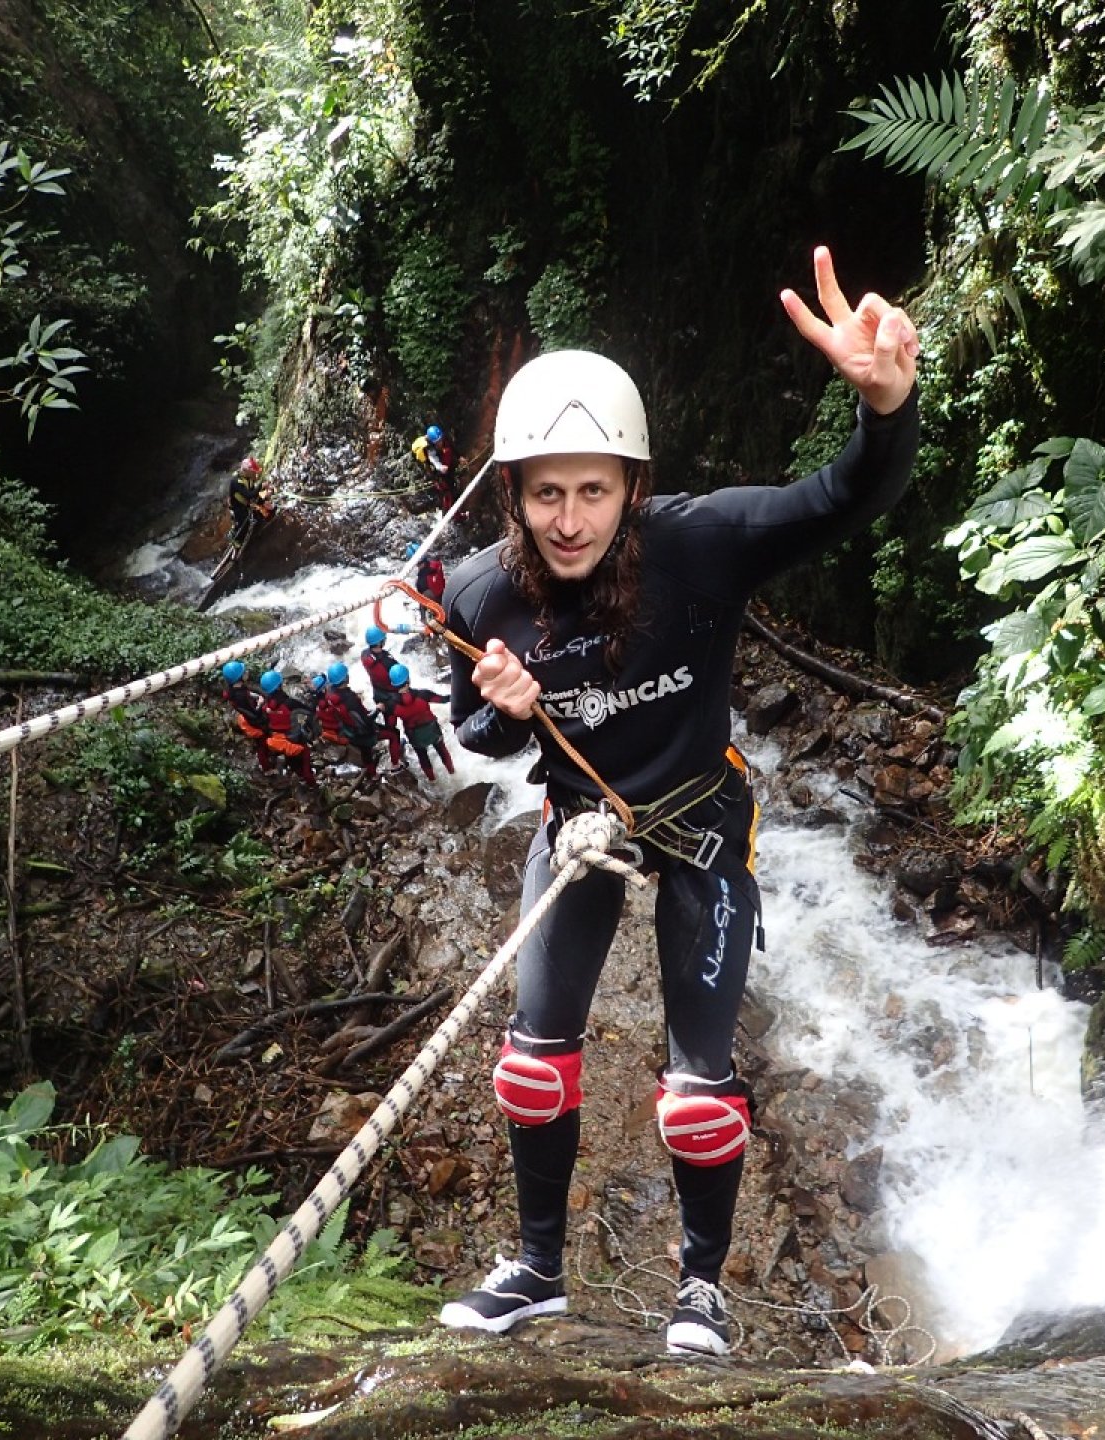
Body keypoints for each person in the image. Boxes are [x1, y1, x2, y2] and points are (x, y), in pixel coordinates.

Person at [435, 247, 920, 1355]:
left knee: (700, 1095)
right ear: (513, 492)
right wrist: (506, 709)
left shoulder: (700, 548)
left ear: (632, 488)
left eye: (593, 490)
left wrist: (885, 408)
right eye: (547, 492)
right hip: (583, 827)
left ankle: (700, 1290)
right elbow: (476, 735)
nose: (569, 520)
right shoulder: (481, 594)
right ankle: (539, 1268)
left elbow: (841, 498)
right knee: (530, 1063)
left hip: (701, 816)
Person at [379, 663, 455, 781]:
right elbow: (443, 699)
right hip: (432, 730)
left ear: (393, 684)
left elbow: (391, 725)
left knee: (423, 756)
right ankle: (452, 772)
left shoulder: (392, 705)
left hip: (414, 735)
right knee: (442, 750)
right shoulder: (423, 694)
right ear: (408, 679)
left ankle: (432, 780)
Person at [315, 661, 382, 778]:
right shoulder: (350, 701)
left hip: (348, 730)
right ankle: (394, 765)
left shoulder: (330, 693)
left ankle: (372, 774)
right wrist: (378, 709)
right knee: (393, 734)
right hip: (361, 733)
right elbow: (366, 721)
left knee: (366, 752)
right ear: (345, 678)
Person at [255, 669, 317, 786]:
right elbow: (309, 711)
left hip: (276, 739)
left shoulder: (266, 704)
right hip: (292, 739)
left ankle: (295, 772)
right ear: (279, 686)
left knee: (292, 758)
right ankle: (311, 784)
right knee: (304, 757)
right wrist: (313, 693)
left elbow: (264, 718)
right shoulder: (290, 703)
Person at [359, 624, 413, 702]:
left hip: (378, 693)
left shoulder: (364, 655)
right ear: (379, 643)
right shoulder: (388, 662)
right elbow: (402, 677)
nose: (385, 639)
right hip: (395, 695)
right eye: (383, 639)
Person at [411, 423, 458, 510]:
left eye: (440, 440)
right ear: (432, 442)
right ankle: (449, 512)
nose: (440, 442)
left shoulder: (439, 439)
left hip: (435, 458)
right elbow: (433, 460)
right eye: (438, 442)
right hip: (430, 465)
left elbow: (449, 445)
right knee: (446, 490)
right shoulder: (429, 448)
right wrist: (440, 468)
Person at [227, 456, 273, 543]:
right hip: (238, 506)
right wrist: (261, 486)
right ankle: (235, 539)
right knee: (244, 524)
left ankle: (259, 516)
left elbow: (253, 491)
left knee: (260, 502)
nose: (255, 474)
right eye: (253, 472)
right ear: (246, 471)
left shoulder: (248, 478)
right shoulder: (236, 482)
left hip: (246, 502)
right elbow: (249, 495)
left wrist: (265, 493)